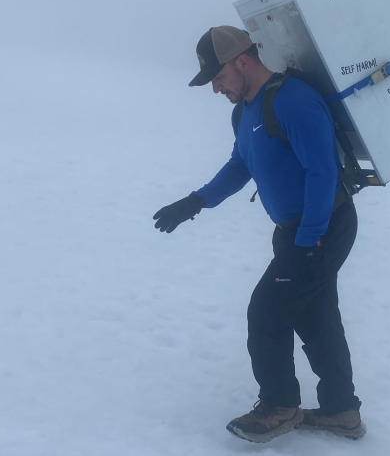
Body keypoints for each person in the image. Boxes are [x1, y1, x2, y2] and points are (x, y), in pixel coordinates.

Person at [153, 26, 365, 443]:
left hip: (323, 226)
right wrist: (195, 202)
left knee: (267, 310)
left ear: (243, 61)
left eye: (218, 77)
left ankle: (280, 405)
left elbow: (323, 173)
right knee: (316, 315)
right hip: (294, 231)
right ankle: (342, 411)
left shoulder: (295, 101)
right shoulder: (245, 111)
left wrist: (308, 243)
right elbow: (240, 165)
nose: (216, 88)